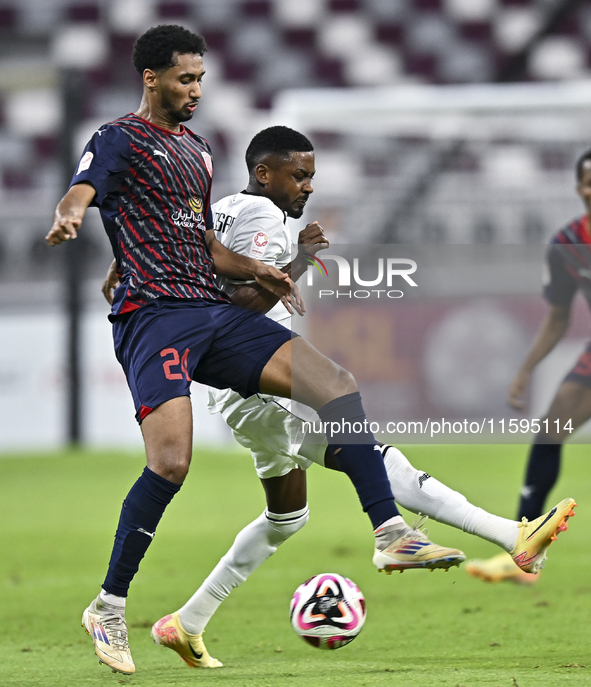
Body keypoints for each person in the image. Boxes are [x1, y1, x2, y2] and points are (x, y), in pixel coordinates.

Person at [45, 25, 465, 676]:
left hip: (210, 310)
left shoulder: (199, 151)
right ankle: (108, 604)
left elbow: (202, 243)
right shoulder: (117, 139)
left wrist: (263, 271)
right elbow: (85, 187)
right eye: (185, 78)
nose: (196, 89)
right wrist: (73, 214)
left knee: (334, 382)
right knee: (171, 464)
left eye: (201, 78)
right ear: (151, 78)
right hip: (152, 317)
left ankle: (389, 532)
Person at [99, 125, 572, 669]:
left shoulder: (224, 207)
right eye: (299, 176)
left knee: (287, 517)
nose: (307, 187)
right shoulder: (264, 219)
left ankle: (187, 622)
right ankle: (507, 533)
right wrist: (296, 261)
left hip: (245, 389)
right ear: (264, 173)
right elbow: (237, 309)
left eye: (312, 177)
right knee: (368, 452)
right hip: (255, 386)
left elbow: (200, 273)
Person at [466, 150, 591, 584]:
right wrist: (525, 370)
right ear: (579, 189)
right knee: (550, 430)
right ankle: (523, 547)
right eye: (589, 182)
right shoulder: (566, 246)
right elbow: (558, 318)